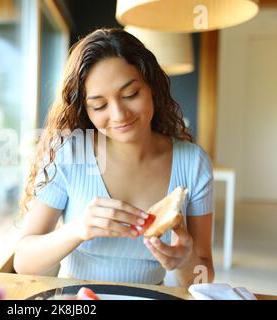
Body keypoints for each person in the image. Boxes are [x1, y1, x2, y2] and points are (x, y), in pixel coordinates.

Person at [14, 28, 214, 287]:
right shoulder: (71, 154)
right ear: (85, 109)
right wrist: (77, 229)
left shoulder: (193, 163)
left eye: (131, 94)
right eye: (99, 105)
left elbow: (204, 276)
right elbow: (23, 262)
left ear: (152, 87)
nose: (119, 114)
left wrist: (185, 262)